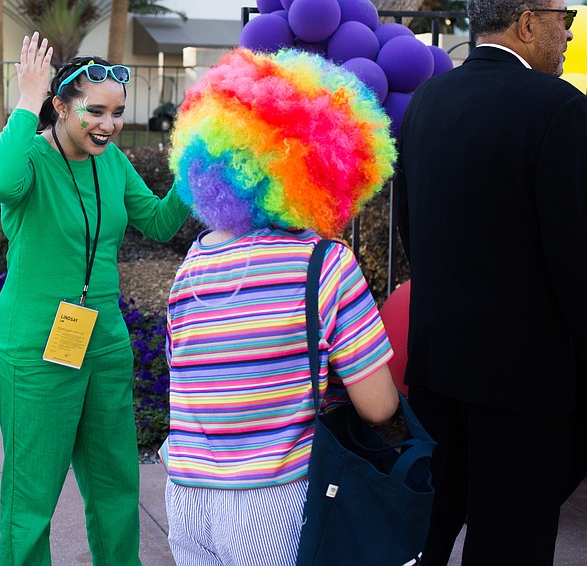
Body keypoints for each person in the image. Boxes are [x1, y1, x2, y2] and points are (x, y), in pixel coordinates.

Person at [162, 47, 400, 566]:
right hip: (275, 497)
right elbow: (377, 406)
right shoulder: (324, 265)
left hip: (187, 492)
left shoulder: (194, 264)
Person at [0, 33, 190, 566]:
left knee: (116, 487)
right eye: (94, 111)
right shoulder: (29, 156)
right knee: (30, 501)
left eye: (117, 113)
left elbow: (161, 222)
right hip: (36, 351)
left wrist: (199, 163)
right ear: (61, 106)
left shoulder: (111, 162)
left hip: (105, 345)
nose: (108, 124)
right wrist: (26, 100)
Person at [394, 0, 587, 563]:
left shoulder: (429, 97)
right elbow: (575, 259)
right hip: (525, 384)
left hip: (437, 371)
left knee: (428, 537)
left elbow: (410, 226)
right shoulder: (560, 108)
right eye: (564, 20)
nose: (569, 35)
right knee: (511, 545)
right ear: (527, 21)